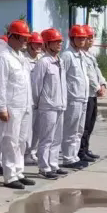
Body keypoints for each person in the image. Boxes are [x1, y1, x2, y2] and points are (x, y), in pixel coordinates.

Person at [0, 20, 34, 190]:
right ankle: (9, 175)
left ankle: (19, 171)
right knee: (10, 141)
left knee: (22, 141)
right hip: (12, 106)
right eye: (22, 38)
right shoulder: (3, 58)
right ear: (13, 37)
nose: (25, 41)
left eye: (26, 38)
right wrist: (1, 107)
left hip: (24, 104)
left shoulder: (21, 58)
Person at [31, 28, 68, 179]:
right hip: (47, 106)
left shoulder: (60, 61)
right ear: (46, 44)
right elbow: (36, 85)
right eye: (55, 41)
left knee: (57, 138)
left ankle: (54, 164)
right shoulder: (43, 62)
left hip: (60, 104)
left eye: (60, 41)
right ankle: (44, 167)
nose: (59, 44)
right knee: (46, 138)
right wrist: (38, 103)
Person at [60, 25, 91, 171]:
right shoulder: (67, 56)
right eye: (79, 38)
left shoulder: (81, 55)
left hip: (82, 97)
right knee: (70, 130)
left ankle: (74, 156)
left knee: (79, 130)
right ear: (72, 39)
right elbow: (62, 77)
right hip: (72, 98)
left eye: (84, 38)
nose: (82, 40)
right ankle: (68, 157)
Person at [79, 26, 107, 162]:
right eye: (87, 38)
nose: (90, 40)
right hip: (87, 94)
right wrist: (97, 88)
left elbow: (97, 71)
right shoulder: (80, 56)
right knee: (84, 125)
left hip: (93, 94)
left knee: (91, 123)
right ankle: (80, 151)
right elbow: (89, 75)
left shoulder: (90, 55)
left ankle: (86, 148)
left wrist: (103, 84)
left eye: (91, 37)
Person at [24, 32, 43, 165]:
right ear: (29, 45)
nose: (38, 47)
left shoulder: (41, 59)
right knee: (27, 130)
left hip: (40, 100)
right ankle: (25, 153)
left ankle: (32, 152)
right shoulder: (24, 60)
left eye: (40, 44)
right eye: (36, 44)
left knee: (37, 129)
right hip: (28, 100)